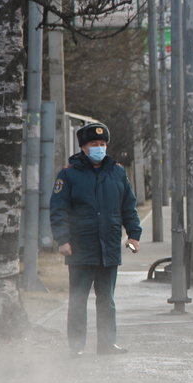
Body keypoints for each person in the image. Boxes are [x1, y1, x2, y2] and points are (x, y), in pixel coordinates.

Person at [50, 122, 142, 358]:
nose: (99, 148)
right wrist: (63, 239)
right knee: (78, 300)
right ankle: (76, 346)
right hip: (80, 247)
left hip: (109, 247)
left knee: (107, 301)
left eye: (102, 144)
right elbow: (58, 210)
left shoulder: (117, 172)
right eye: (94, 144)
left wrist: (134, 235)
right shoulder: (69, 174)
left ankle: (107, 344)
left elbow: (128, 207)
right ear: (84, 147)